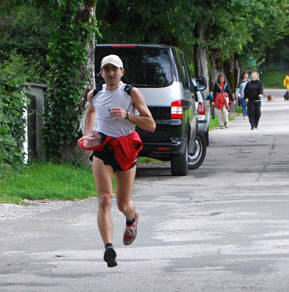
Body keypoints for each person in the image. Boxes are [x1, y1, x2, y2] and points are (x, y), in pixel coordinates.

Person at [78, 54, 156, 268]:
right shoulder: (94, 94)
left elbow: (150, 125)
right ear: (102, 73)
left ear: (122, 72)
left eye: (115, 70)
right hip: (103, 148)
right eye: (107, 70)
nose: (111, 74)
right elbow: (92, 111)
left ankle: (131, 218)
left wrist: (127, 115)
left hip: (126, 147)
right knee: (104, 198)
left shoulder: (130, 93)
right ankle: (108, 248)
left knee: (122, 204)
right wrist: (87, 134)